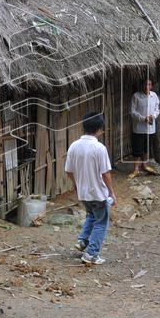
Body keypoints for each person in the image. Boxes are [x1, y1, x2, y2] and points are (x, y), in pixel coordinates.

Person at [64, 112, 116, 265]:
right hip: (98, 193)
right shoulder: (99, 148)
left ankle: (82, 241)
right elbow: (106, 174)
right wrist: (111, 192)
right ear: (99, 129)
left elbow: (68, 170)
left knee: (92, 216)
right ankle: (91, 254)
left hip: (83, 193)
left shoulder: (74, 146)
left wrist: (76, 183)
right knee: (101, 222)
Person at [129, 78, 160, 179]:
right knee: (137, 149)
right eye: (145, 85)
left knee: (146, 148)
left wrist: (153, 116)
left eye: (149, 85)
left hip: (150, 129)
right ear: (142, 86)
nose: (146, 87)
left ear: (151, 86)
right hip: (139, 128)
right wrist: (143, 119)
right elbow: (132, 112)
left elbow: (157, 109)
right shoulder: (136, 96)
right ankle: (136, 169)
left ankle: (145, 166)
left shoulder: (154, 96)